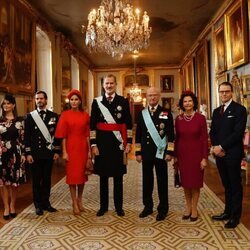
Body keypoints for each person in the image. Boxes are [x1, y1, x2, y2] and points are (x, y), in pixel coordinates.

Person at [90, 74, 132, 217]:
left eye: (111, 83)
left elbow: (128, 123)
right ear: (103, 85)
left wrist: (129, 142)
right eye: (106, 83)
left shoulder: (123, 101)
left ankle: (118, 207)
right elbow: (92, 126)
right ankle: (103, 207)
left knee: (118, 177)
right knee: (103, 177)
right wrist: (93, 144)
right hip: (101, 144)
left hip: (118, 144)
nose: (109, 86)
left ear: (115, 85)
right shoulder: (96, 102)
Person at [210, 82, 247, 229]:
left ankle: (235, 217)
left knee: (235, 185)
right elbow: (213, 132)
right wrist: (215, 147)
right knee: (226, 184)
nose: (224, 94)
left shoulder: (240, 110)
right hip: (219, 154)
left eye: (226, 91)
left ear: (231, 92)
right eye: (221, 92)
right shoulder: (216, 111)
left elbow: (238, 134)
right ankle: (227, 211)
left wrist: (221, 147)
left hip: (232, 153)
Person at [135, 87, 174, 221]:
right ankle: (148, 206)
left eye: (155, 95)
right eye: (150, 95)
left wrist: (169, 151)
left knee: (162, 181)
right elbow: (138, 134)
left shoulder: (166, 112)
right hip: (146, 153)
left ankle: (163, 209)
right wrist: (138, 152)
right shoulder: (142, 113)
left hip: (161, 152)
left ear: (159, 96)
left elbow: (170, 134)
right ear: (147, 96)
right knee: (147, 180)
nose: (152, 98)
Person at [24, 91, 61, 216]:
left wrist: (56, 151)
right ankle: (38, 205)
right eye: (37, 99)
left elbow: (57, 136)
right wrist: (28, 153)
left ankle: (46, 203)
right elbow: (27, 137)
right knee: (36, 180)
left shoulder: (54, 116)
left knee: (46, 179)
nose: (39, 101)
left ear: (46, 100)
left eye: (41, 98)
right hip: (34, 154)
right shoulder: (30, 117)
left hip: (48, 153)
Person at [55, 89, 90, 215]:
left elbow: (87, 135)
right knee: (72, 177)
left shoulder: (85, 115)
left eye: (76, 99)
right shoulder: (65, 115)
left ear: (80, 101)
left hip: (82, 147)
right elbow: (63, 135)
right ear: (69, 101)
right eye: (72, 99)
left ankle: (80, 200)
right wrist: (64, 151)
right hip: (70, 147)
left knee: (81, 176)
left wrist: (89, 152)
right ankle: (74, 202)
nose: (74, 102)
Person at [174, 91, 208, 221]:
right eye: (185, 101)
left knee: (195, 183)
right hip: (183, 154)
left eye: (190, 101)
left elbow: (204, 139)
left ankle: (194, 208)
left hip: (197, 154)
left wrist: (204, 158)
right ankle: (188, 207)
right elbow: (177, 139)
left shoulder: (200, 118)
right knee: (186, 183)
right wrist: (175, 156)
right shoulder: (179, 119)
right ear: (182, 104)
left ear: (194, 103)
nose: (187, 103)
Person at [0, 94, 26, 220]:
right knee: (4, 182)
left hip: (16, 153)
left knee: (14, 182)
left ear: (13, 105)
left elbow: (22, 139)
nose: (6, 105)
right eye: (4, 103)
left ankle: (12, 205)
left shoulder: (19, 121)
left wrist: (24, 154)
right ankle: (5, 207)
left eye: (8, 103)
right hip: (2, 154)